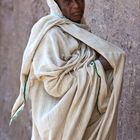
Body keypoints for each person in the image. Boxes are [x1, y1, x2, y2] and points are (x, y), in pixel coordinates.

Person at [10, 0, 126, 140]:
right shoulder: (51, 35)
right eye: (67, 1)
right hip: (61, 129)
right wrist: (99, 66)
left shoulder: (78, 31)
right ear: (55, 4)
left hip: (82, 123)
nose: (76, 5)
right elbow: (55, 85)